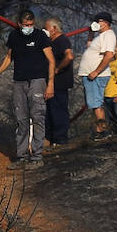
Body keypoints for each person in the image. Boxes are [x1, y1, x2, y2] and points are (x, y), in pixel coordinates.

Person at [0, 10, 57, 167]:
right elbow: (9, 57)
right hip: (19, 81)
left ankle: (37, 156)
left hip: (37, 80)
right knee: (21, 119)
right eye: (26, 25)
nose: (29, 27)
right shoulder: (14, 36)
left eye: (31, 24)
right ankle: (22, 156)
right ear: (19, 24)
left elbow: (51, 60)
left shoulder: (40, 36)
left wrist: (50, 83)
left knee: (38, 116)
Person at [77, 13, 117, 141]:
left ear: (105, 22)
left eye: (98, 21)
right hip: (90, 74)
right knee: (94, 104)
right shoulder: (100, 36)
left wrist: (96, 71)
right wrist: (91, 32)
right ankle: (99, 130)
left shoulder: (109, 35)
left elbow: (109, 55)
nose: (97, 23)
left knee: (96, 103)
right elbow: (89, 46)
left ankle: (102, 131)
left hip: (96, 75)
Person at [44, 18, 75, 148]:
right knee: (50, 110)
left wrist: (57, 69)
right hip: (51, 82)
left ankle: (60, 140)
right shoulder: (51, 42)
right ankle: (51, 138)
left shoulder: (62, 40)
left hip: (59, 82)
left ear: (54, 28)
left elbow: (69, 56)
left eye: (47, 28)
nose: (45, 31)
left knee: (58, 110)